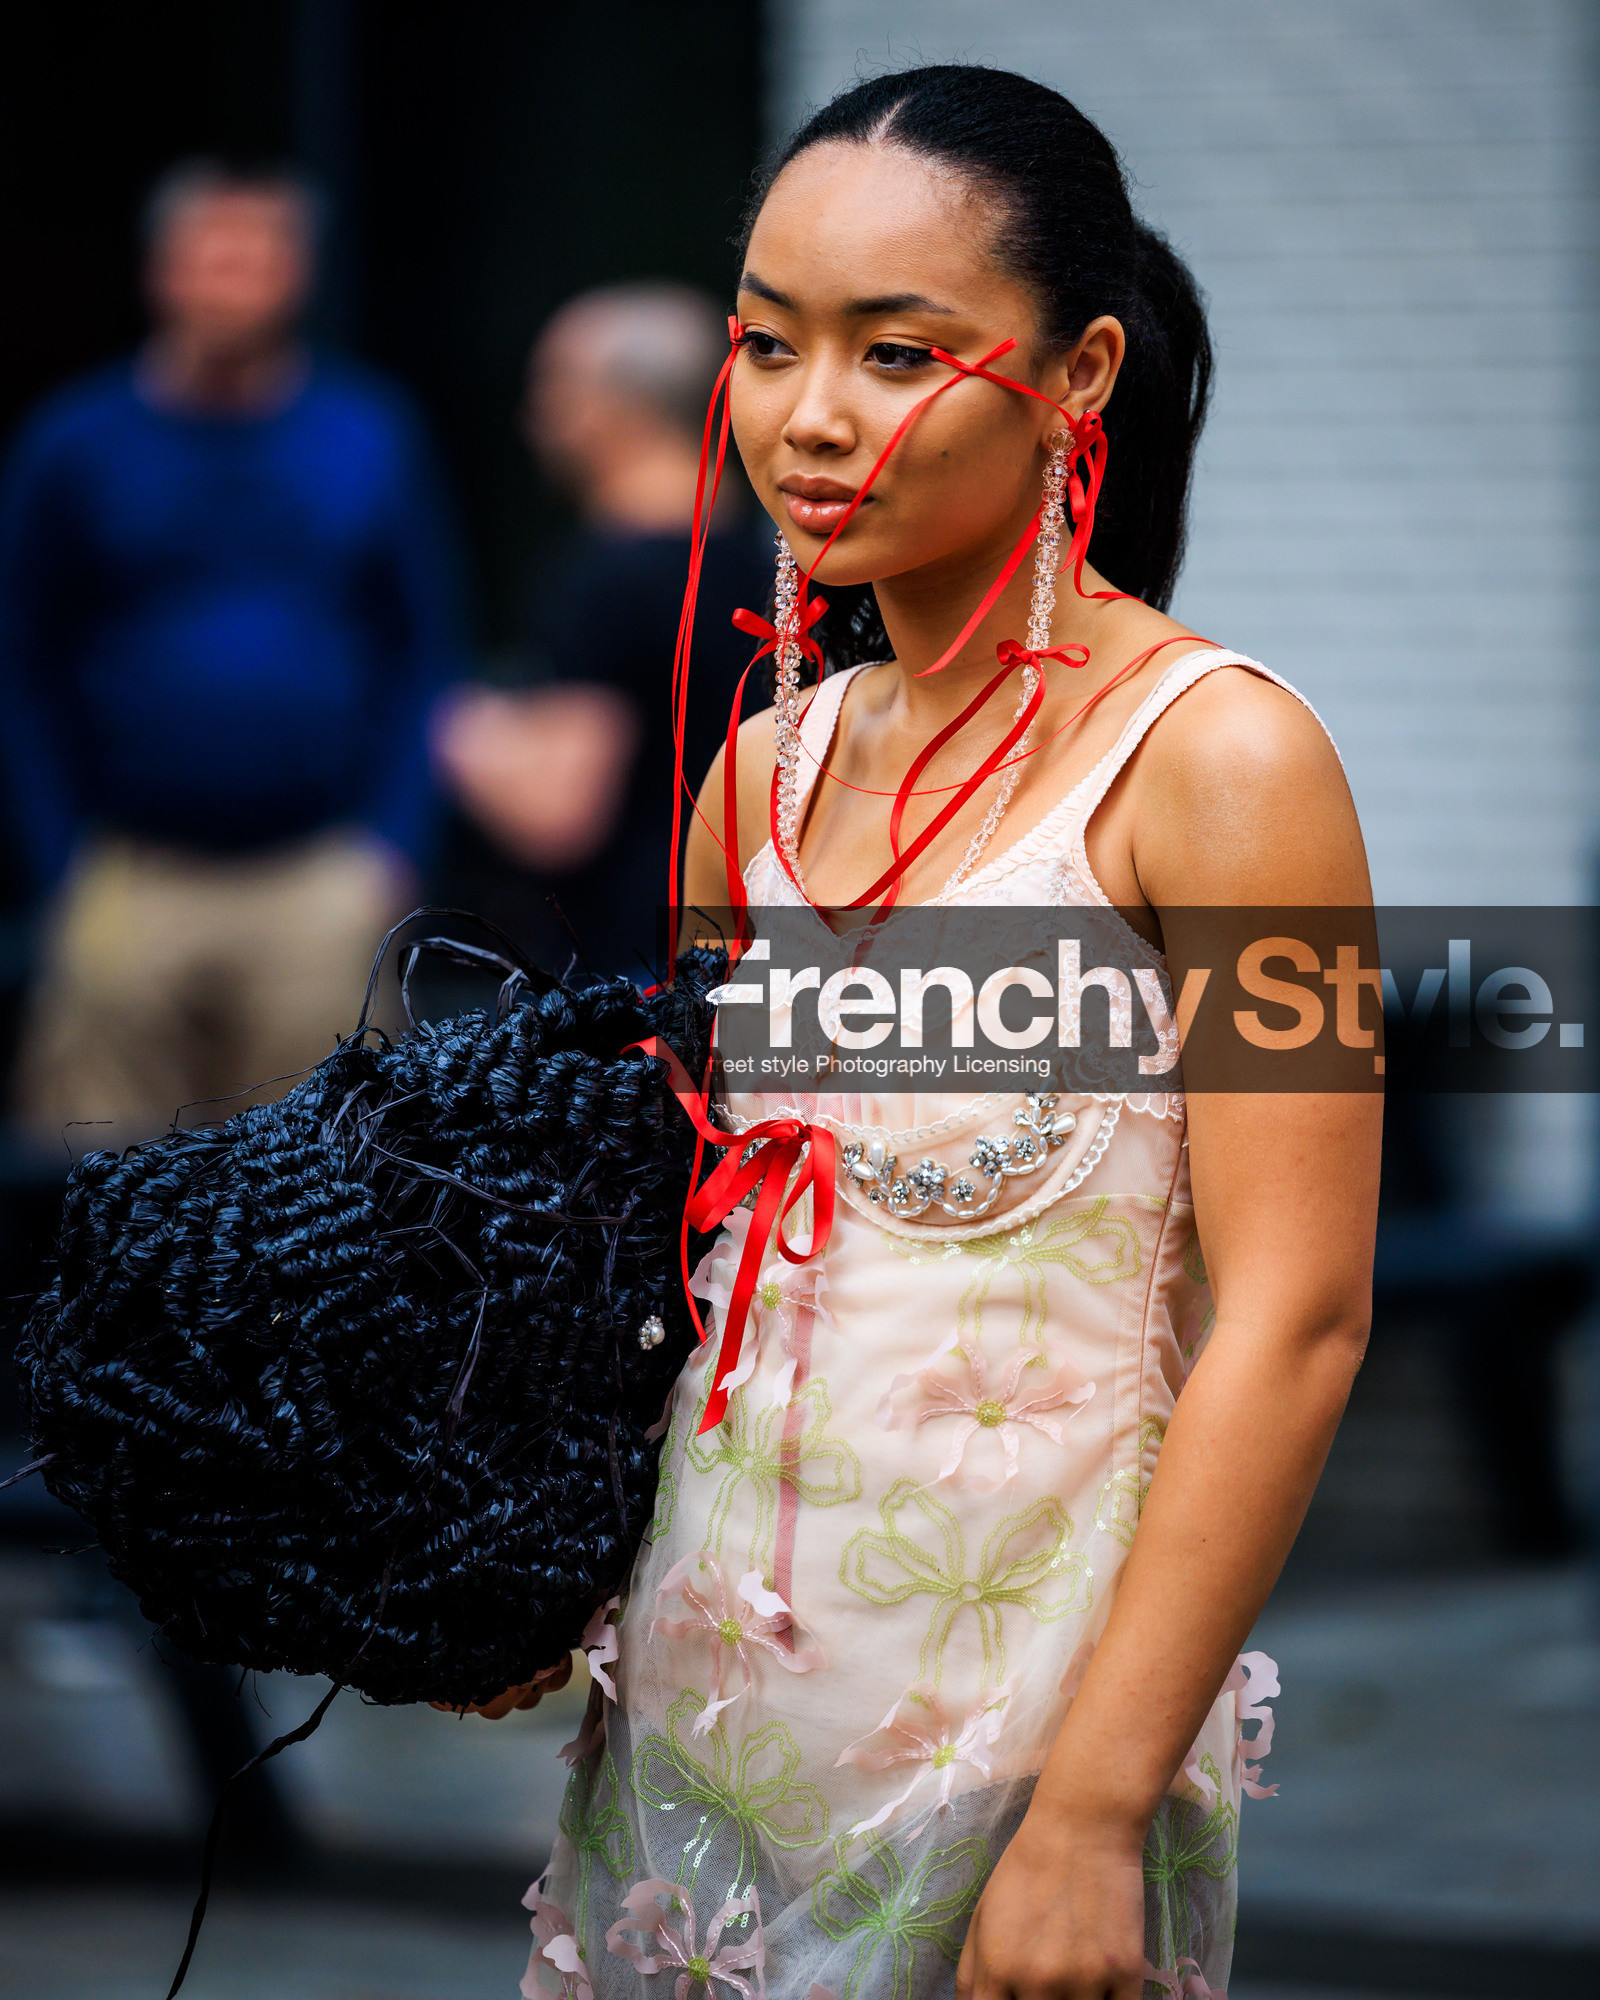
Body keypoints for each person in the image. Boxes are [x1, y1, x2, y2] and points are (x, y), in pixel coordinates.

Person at [463, 65, 1381, 2000]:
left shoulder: (1221, 762)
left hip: (1022, 1741)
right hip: (697, 1738)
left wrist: (1092, 1813)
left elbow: (1295, 1318)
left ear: (1085, 369)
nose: (809, 417)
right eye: (767, 342)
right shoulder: (760, 778)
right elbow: (697, 1260)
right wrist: (530, 1564)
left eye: (897, 353)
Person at [0, 160, 459, 1145]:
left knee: (331, 1176)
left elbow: (423, 650)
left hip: (321, 879)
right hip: (130, 876)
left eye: (256, 259)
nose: (230, 283)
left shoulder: (367, 434)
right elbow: (21, 663)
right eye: (209, 258)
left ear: (299, 275)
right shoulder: (75, 444)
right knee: (100, 1177)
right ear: (161, 272)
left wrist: (394, 846)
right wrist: (57, 860)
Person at [434, 283, 770, 977]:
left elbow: (557, 812)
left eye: (555, 386)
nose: (535, 415)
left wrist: (454, 727)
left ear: (617, 408)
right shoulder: (770, 556)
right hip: (741, 933)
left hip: (629, 965)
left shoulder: (605, 579)